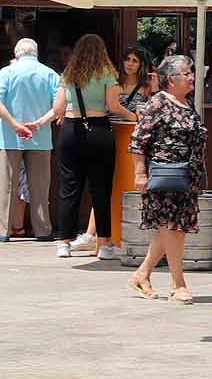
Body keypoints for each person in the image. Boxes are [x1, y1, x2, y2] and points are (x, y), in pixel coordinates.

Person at [126, 56, 208, 304]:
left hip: (186, 177)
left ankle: (142, 274)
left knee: (173, 230)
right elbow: (138, 141)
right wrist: (139, 174)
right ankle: (178, 285)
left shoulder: (185, 103)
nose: (192, 77)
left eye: (191, 72)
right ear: (171, 80)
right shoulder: (158, 103)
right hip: (165, 175)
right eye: (187, 73)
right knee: (172, 229)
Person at [49, 33, 136, 259]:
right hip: (98, 131)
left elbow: (58, 109)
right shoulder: (106, 73)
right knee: (101, 189)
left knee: (69, 188)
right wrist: (134, 116)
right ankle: (105, 243)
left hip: (70, 129)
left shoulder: (68, 74)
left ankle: (64, 242)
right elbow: (113, 106)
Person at [0, 39, 60, 242]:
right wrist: (40, 123)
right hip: (40, 137)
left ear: (16, 53)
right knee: (41, 186)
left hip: (9, 137)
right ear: (36, 53)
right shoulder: (50, 73)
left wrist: (14, 125)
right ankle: (43, 230)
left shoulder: (6, 73)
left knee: (7, 186)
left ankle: (3, 231)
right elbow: (59, 107)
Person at [116, 45, 157, 114]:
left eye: (134, 61)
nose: (130, 64)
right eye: (127, 59)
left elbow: (153, 112)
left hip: (135, 124)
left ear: (141, 65)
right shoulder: (113, 82)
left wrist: (154, 90)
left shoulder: (146, 87)